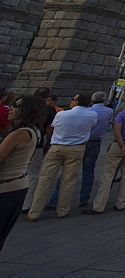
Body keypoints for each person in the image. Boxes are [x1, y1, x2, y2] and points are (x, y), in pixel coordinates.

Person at [26, 92, 98, 220]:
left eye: (73, 99)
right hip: (77, 148)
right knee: (69, 181)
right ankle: (63, 210)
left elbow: (53, 127)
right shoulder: (92, 115)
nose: (71, 101)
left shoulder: (62, 114)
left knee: (45, 180)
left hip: (57, 147)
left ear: (76, 102)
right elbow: (92, 127)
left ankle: (34, 212)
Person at [83, 93, 125, 214]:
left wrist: (123, 145)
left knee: (108, 175)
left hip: (119, 145)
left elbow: (116, 131)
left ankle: (99, 205)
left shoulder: (123, 114)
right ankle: (121, 203)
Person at [0, 96, 45, 250]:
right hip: (16, 186)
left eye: (16, 105)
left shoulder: (20, 133)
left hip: (6, 188)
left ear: (28, 110)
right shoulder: (34, 130)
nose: (10, 108)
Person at [77, 91, 113, 209]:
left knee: (70, 170)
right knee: (89, 170)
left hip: (81, 142)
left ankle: (56, 198)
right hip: (95, 143)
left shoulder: (87, 112)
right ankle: (84, 198)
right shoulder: (109, 111)